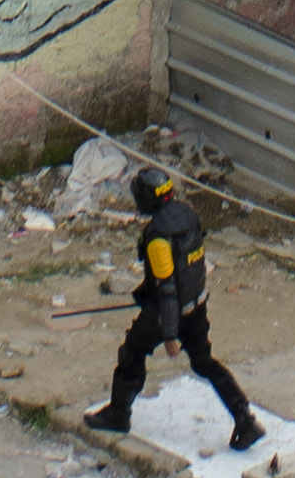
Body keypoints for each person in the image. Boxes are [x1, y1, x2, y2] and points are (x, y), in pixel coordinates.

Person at [83, 165, 260, 451]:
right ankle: (245, 420)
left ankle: (118, 415)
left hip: (169, 313)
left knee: (132, 351)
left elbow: (167, 288)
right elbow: (188, 268)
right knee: (205, 363)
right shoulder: (187, 216)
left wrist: (169, 335)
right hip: (197, 306)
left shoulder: (157, 236)